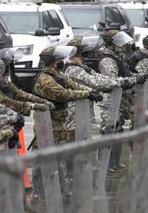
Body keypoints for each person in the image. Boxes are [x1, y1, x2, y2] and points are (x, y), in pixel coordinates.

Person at [32, 46, 102, 199]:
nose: (60, 62)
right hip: (47, 121)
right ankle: (39, 191)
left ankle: (59, 188)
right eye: (57, 60)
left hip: (59, 120)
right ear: (51, 62)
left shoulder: (57, 74)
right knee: (43, 155)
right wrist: (86, 93)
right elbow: (63, 94)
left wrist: (90, 92)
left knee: (58, 155)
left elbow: (72, 84)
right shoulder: (45, 79)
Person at [98, 30, 148, 172]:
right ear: (111, 44)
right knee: (109, 131)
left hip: (120, 100)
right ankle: (106, 165)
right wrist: (134, 80)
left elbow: (124, 74)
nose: (122, 46)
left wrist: (138, 76)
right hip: (111, 101)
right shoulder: (108, 60)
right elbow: (113, 81)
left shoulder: (116, 57)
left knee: (118, 130)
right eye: (118, 43)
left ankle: (114, 163)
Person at [0, 49, 54, 116]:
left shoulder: (2, 80)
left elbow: (18, 93)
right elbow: (6, 101)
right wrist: (33, 106)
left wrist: (41, 101)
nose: (6, 68)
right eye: (3, 65)